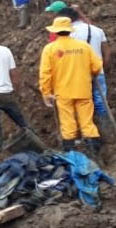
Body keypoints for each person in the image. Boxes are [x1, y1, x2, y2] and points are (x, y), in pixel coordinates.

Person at [39, 16, 103, 156]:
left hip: (63, 92)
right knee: (87, 122)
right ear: (69, 30)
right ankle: (95, 154)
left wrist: (46, 92)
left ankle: (71, 154)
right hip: (83, 89)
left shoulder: (50, 49)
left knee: (68, 124)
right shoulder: (84, 47)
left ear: (55, 32)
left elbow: (45, 73)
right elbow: (97, 66)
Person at [56, 6, 110, 122]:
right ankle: (105, 127)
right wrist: (102, 68)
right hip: (98, 72)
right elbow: (107, 52)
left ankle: (89, 131)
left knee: (83, 104)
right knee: (101, 102)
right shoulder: (96, 30)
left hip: (78, 75)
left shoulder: (69, 35)